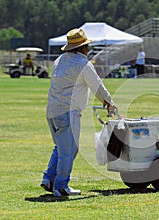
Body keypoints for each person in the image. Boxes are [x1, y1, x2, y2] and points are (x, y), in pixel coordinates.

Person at [41, 28, 117, 197]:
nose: (88, 49)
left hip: (52, 111)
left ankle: (49, 179)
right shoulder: (83, 64)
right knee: (69, 150)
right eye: (86, 46)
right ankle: (60, 186)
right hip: (68, 112)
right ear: (82, 48)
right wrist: (110, 103)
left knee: (60, 148)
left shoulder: (60, 60)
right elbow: (97, 86)